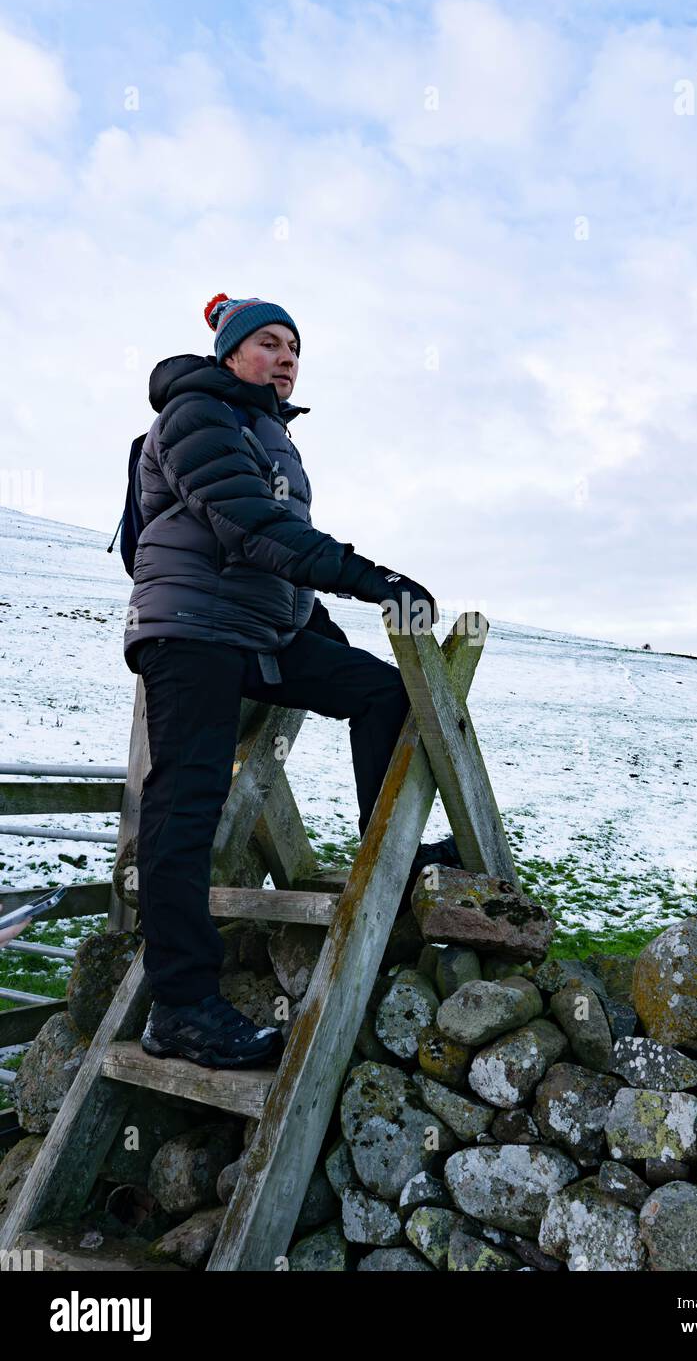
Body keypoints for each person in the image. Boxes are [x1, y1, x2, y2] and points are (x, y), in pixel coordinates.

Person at [123, 293, 461, 1070]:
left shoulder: (269, 434)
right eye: (269, 344)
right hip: (191, 633)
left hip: (259, 632)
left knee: (381, 692)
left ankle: (393, 851)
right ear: (231, 356)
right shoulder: (196, 416)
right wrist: (369, 577)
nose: (285, 359)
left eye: (294, 349)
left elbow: (277, 559)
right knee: (188, 797)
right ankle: (181, 1006)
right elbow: (255, 529)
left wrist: (323, 634)